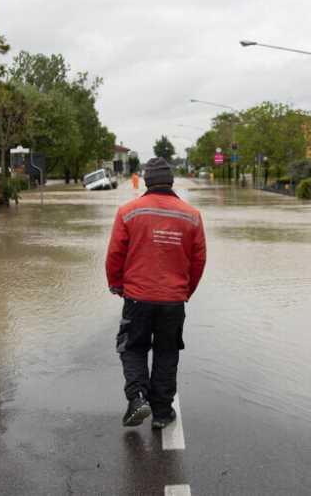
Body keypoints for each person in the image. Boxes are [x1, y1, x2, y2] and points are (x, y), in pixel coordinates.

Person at [105, 157, 207, 429]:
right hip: (173, 300)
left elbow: (115, 254)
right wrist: (186, 291)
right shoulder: (192, 215)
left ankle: (138, 398)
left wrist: (116, 284)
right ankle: (162, 413)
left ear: (146, 182)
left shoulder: (128, 212)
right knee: (167, 351)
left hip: (137, 297)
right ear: (171, 181)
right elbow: (198, 261)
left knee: (133, 347)